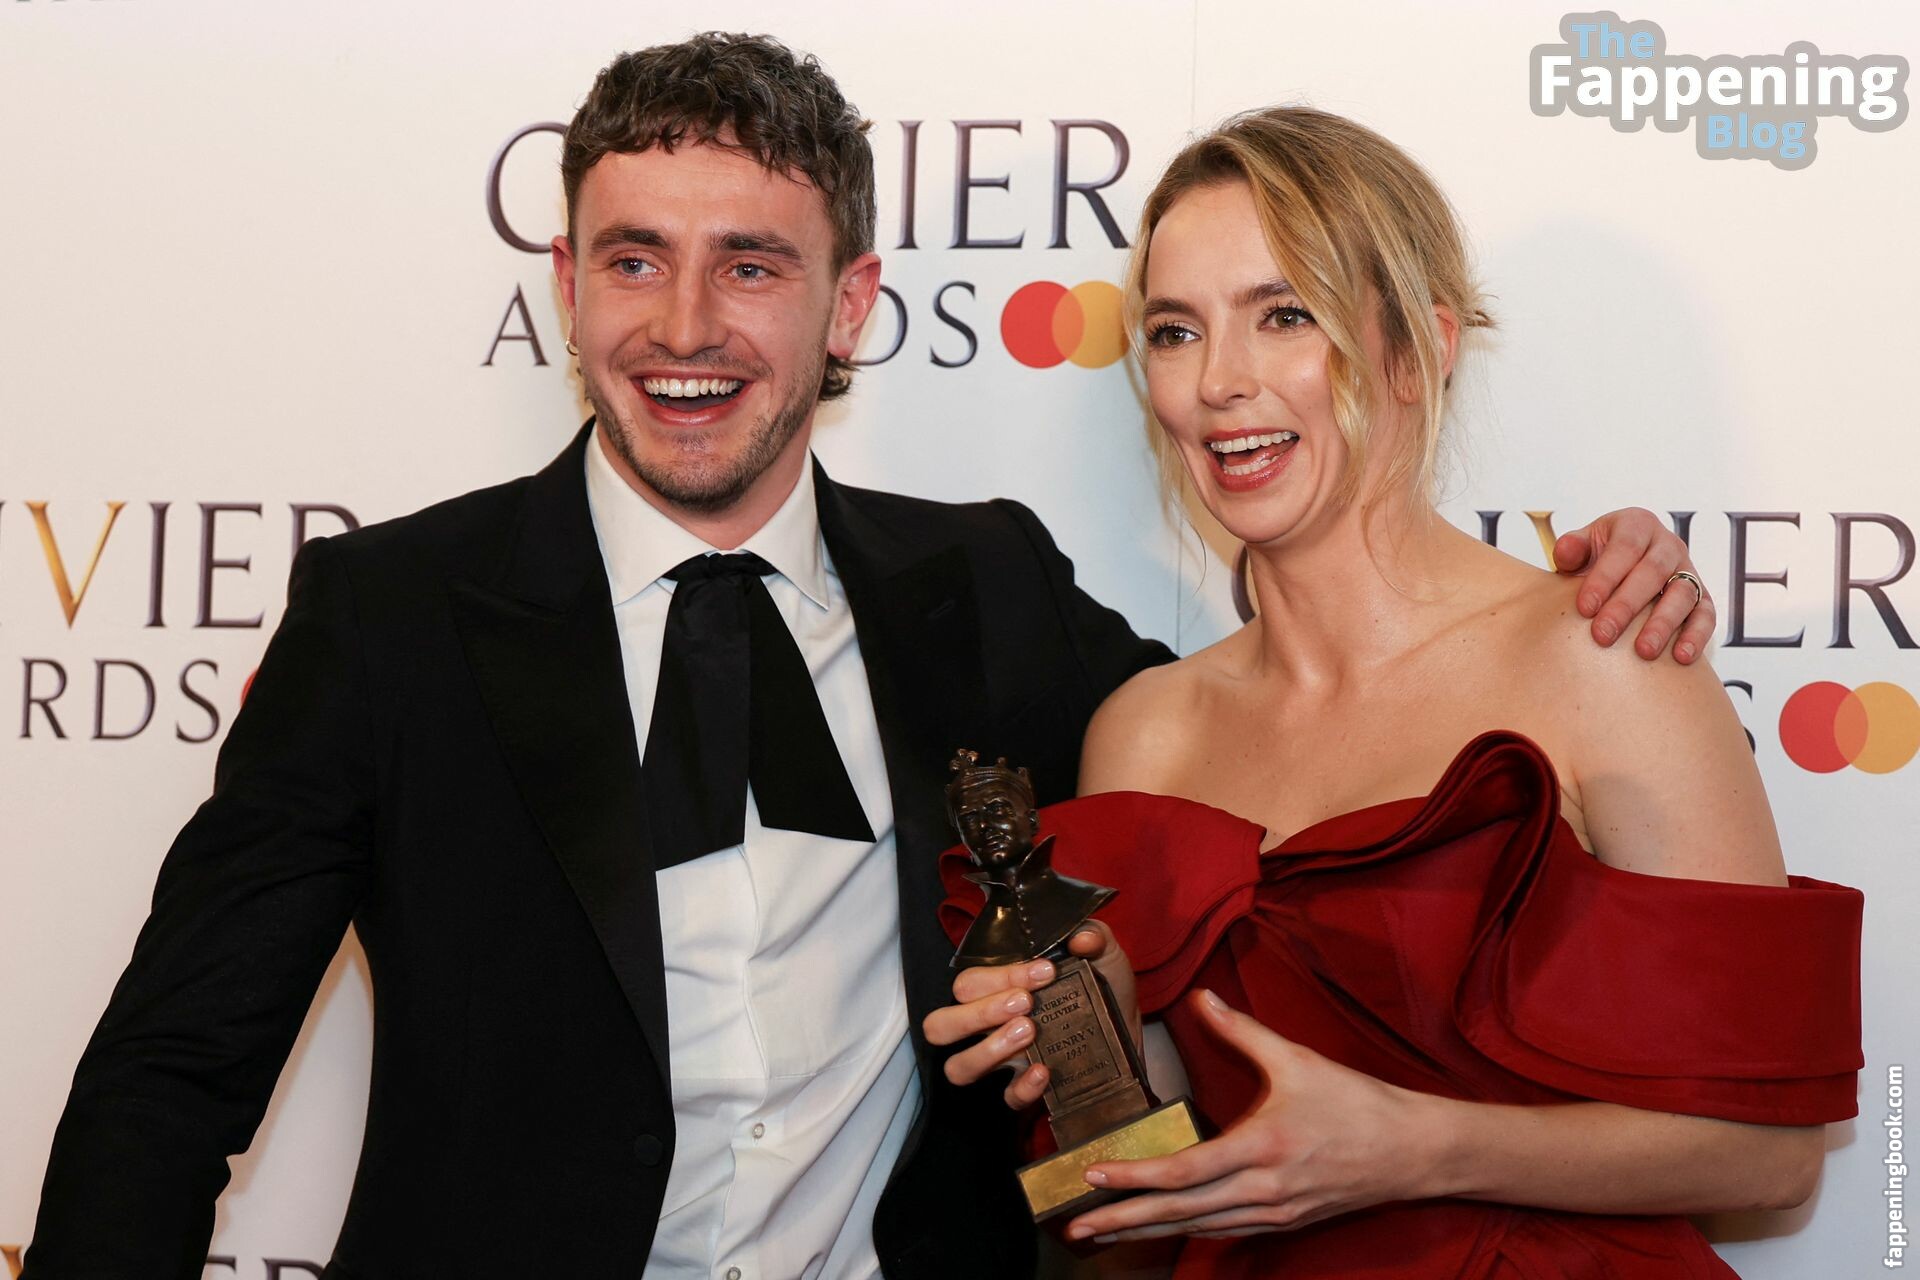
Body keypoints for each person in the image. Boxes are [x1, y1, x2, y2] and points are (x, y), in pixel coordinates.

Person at [25, 38, 1711, 1280]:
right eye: (634, 259)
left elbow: (1316, 718)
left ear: (848, 305)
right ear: (567, 285)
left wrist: (1574, 595)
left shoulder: (987, 591)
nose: (685, 327)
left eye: (750, 265)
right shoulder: (388, 617)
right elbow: (173, 1072)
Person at [928, 105, 1863, 1278]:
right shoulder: (1147, 731)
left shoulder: (1601, 652)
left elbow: (1769, 1155)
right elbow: (1143, 1212)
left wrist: (1415, 1146)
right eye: (1174, 331)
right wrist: (1079, 1046)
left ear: (1419, 348)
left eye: (1285, 314)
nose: (1219, 381)